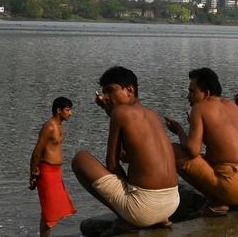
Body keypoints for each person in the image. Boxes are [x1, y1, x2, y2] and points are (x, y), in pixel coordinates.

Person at [71, 66, 180, 230]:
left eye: (110, 91)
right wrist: (108, 109)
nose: (105, 97)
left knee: (80, 159)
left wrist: (127, 188)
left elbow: (112, 164)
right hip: (172, 203)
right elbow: (133, 145)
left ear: (129, 90)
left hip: (144, 209)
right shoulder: (152, 114)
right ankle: (156, 218)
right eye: (103, 92)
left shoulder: (120, 112)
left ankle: (126, 218)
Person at [165, 68, 238, 216]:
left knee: (173, 150)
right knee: (209, 156)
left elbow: (192, 150)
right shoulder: (232, 105)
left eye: (192, 91)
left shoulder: (199, 108)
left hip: (234, 187)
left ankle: (218, 200)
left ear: (206, 93)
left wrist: (179, 129)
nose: (188, 96)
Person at [29, 97, 76, 236]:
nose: (70, 113)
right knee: (48, 213)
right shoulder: (49, 127)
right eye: (68, 110)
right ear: (58, 110)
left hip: (56, 172)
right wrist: (32, 174)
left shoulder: (59, 125)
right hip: (47, 172)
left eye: (70, 110)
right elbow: (36, 152)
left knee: (51, 211)